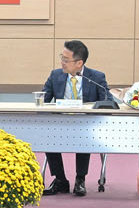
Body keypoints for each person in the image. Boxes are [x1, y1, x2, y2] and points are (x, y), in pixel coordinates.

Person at [40, 40, 111, 196]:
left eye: (66, 60)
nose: (62, 62)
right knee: (47, 135)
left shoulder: (96, 77)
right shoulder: (55, 75)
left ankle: (80, 179)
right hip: (60, 124)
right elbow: (43, 100)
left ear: (79, 63)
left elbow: (108, 101)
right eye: (62, 57)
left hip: (86, 125)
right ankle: (60, 180)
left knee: (83, 134)